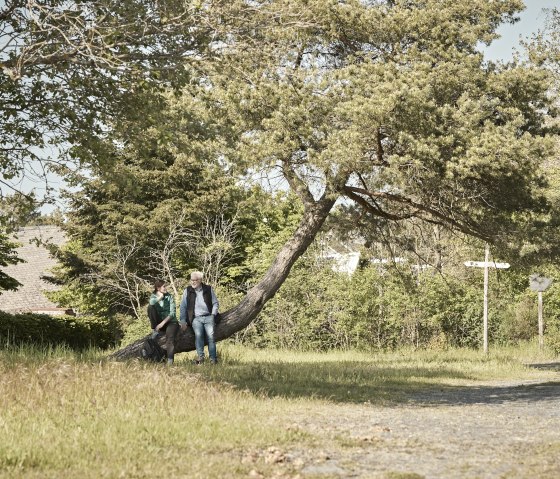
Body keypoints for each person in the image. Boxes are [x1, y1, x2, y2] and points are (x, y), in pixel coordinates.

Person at [179, 271, 219, 364]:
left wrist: (213, 315)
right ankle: (200, 358)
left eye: (195, 280)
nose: (193, 282)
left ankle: (213, 359)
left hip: (209, 316)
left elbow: (215, 303)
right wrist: (183, 320)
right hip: (196, 318)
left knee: (211, 337)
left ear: (200, 280)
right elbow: (183, 306)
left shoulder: (208, 289)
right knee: (198, 336)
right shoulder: (187, 291)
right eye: (191, 280)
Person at [148, 280, 179, 365]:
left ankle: (170, 362)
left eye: (166, 286)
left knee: (170, 339)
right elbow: (151, 303)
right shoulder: (154, 296)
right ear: (158, 288)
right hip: (158, 322)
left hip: (170, 322)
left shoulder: (169, 297)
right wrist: (159, 298)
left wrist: (162, 323)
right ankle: (155, 330)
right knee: (150, 308)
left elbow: (172, 313)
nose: (166, 288)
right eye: (164, 286)